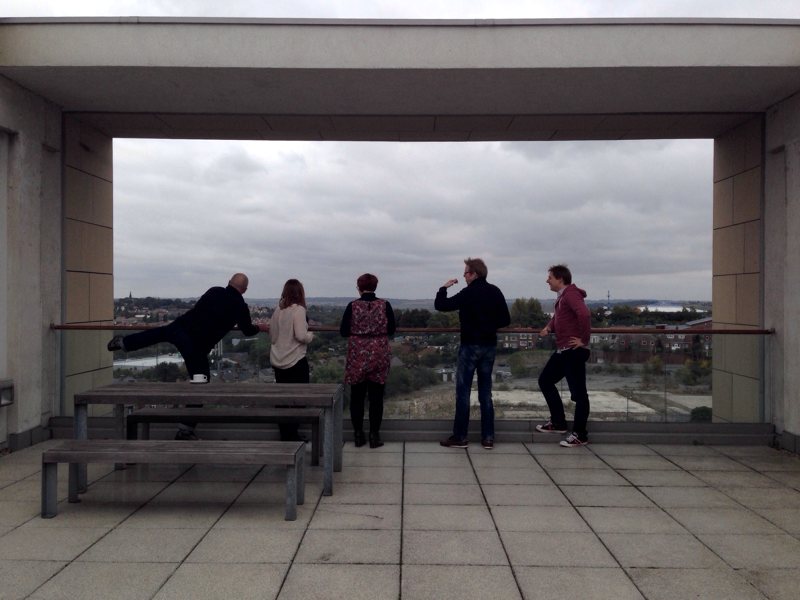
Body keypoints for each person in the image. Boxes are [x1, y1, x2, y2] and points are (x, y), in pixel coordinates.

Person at [107, 273, 263, 440]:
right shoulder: (240, 306)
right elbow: (247, 330)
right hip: (196, 345)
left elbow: (201, 310)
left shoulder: (214, 291)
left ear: (228, 283)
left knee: (157, 334)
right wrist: (258, 328)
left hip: (180, 327)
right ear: (244, 290)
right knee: (201, 384)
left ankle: (123, 343)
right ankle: (185, 430)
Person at [435, 257, 510, 449]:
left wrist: (444, 287)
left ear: (474, 274)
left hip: (469, 346)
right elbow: (505, 319)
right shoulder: (495, 291)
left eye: (466, 272)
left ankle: (460, 436)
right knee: (486, 393)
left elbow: (441, 305)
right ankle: (488, 438)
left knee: (463, 392)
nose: (463, 275)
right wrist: (488, 324)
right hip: (489, 346)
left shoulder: (468, 293)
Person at [535, 264, 592, 447]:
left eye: (549, 277)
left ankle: (580, 435)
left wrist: (584, 339)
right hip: (563, 351)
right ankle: (558, 423)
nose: (547, 280)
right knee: (545, 380)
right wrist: (549, 327)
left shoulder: (571, 294)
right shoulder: (563, 297)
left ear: (560, 279)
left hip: (573, 352)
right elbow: (559, 317)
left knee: (579, 395)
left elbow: (584, 314)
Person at [340, 273, 396, 449]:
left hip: (358, 354)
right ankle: (374, 436)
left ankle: (358, 435)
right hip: (379, 353)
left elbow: (343, 330)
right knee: (376, 397)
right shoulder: (385, 305)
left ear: (359, 287)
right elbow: (392, 328)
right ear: (376, 286)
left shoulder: (352, 306)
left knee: (357, 397)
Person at [269, 279, 314, 441]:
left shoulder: (278, 311)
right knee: (298, 398)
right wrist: (311, 335)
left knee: (282, 399)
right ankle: (292, 433)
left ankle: (285, 433)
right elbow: (301, 336)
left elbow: (273, 337)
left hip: (278, 360)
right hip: (295, 360)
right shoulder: (299, 310)